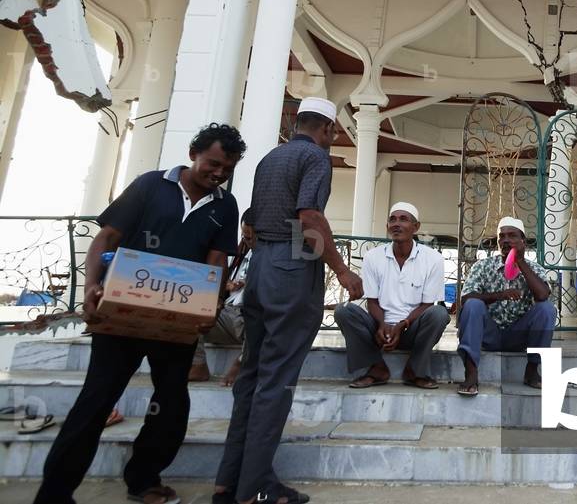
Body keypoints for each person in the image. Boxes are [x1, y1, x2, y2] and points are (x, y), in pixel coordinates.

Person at [33, 123, 246, 504]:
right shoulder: (150, 185)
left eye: (227, 170)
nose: (218, 174)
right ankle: (55, 493)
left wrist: (210, 307)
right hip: (122, 317)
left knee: (171, 404)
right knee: (96, 401)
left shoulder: (224, 206)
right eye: (213, 164)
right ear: (194, 153)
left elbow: (216, 264)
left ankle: (144, 480)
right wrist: (91, 287)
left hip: (176, 324)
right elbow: (107, 238)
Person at [214, 97, 363, 504]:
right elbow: (309, 219)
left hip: (260, 269)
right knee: (276, 382)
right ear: (329, 130)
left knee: (252, 376)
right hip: (291, 268)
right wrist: (343, 271)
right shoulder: (316, 158)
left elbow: (252, 219)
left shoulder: (270, 158)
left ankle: (228, 482)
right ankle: (255, 488)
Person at [336, 202, 449, 389]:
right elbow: (372, 301)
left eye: (403, 219)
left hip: (412, 328)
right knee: (343, 311)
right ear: (387, 227)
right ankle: (377, 368)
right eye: (392, 219)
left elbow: (427, 304)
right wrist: (382, 325)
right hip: (379, 329)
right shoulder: (373, 256)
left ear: (416, 227)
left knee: (439, 314)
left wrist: (402, 325)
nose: (396, 224)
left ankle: (414, 371)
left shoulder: (433, 259)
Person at [456, 217, 557, 397]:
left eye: (512, 236)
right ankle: (471, 373)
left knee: (547, 309)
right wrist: (499, 295)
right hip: (488, 334)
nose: (505, 240)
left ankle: (532, 370)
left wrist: (520, 262)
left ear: (523, 241)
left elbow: (542, 295)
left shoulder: (535, 268)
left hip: (518, 336)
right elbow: (466, 299)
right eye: (501, 236)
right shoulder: (483, 266)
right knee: (473, 304)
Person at [189, 208, 255, 385]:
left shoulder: (274, 257)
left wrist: (241, 362)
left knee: (264, 315)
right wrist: (227, 286)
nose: (249, 242)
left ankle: (244, 360)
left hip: (248, 320)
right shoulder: (242, 252)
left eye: (252, 237)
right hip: (229, 313)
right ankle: (198, 366)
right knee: (191, 307)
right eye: (245, 236)